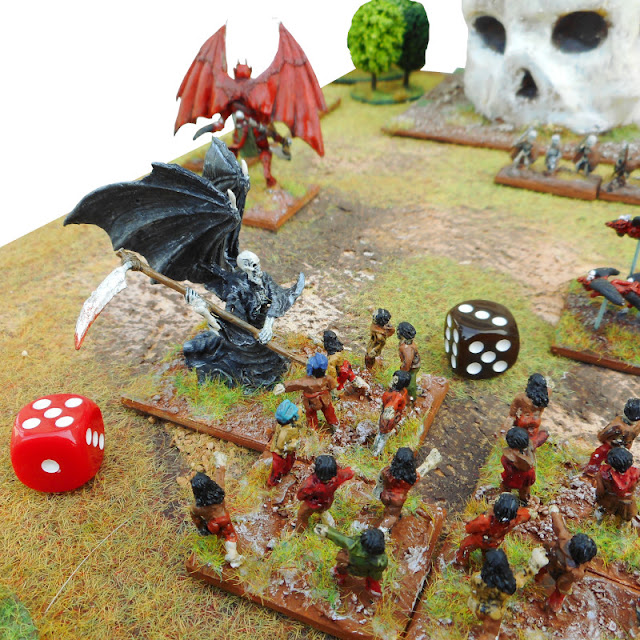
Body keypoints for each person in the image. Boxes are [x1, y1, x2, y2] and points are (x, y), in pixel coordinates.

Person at [469, 548, 548, 635]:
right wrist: (533, 566)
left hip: (475, 606)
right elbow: (520, 579)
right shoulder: (504, 589)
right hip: (493, 613)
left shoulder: (476, 577)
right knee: (492, 633)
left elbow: (473, 590)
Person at [535, 506, 597, 612]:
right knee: (561, 592)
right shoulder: (576, 570)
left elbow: (558, 526)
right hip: (560, 576)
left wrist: (554, 512)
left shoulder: (564, 539)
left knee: (543, 568)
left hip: (551, 562)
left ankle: (538, 578)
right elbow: (573, 578)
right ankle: (552, 606)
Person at [190, 453, 244, 567]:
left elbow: (196, 517)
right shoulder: (220, 491)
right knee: (230, 535)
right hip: (224, 519)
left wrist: (201, 528)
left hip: (212, 525)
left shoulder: (197, 507)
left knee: (216, 534)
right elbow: (221, 475)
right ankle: (233, 555)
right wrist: (220, 463)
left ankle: (216, 540)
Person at [455, 493, 530, 568]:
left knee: (464, 548)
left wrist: (465, 526)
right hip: (494, 543)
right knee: (489, 554)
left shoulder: (484, 521)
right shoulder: (514, 520)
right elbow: (526, 514)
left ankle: (461, 563)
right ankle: (487, 563)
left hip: (478, 540)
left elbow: (469, 528)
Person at [376, 447, 441, 530]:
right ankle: (382, 529)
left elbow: (380, 479)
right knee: (392, 516)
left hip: (385, 496)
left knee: (388, 509)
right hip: (397, 500)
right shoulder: (412, 478)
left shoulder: (387, 472)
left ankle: (385, 515)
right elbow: (420, 472)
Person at [315, 525, 388, 596]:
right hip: (355, 567)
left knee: (342, 569)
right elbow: (341, 539)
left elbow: (341, 539)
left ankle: (340, 579)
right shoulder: (380, 561)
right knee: (342, 568)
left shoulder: (355, 545)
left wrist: (327, 532)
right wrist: (327, 532)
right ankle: (372, 589)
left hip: (356, 567)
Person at [274, 353, 338, 430]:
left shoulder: (314, 380)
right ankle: (316, 428)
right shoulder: (325, 379)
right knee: (318, 413)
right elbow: (295, 383)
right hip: (314, 401)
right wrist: (284, 386)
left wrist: (284, 386)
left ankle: (330, 425)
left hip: (319, 400)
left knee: (325, 412)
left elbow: (296, 383)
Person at [295, 455, 354, 532]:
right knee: (323, 512)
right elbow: (347, 473)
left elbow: (300, 495)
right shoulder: (337, 478)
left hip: (312, 504)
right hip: (326, 503)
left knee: (302, 515)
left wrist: (299, 497)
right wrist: (351, 471)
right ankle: (330, 528)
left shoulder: (311, 484)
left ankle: (299, 532)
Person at [584, 398, 640, 476]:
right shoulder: (638, 425)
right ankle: (609, 471)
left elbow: (603, 435)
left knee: (596, 456)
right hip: (626, 446)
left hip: (610, 445)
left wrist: (601, 437)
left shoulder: (618, 425)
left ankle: (591, 472)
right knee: (615, 460)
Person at [595, 446, 639, 522]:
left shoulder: (603, 472)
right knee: (624, 521)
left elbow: (600, 491)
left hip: (608, 502)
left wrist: (597, 499)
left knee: (602, 518)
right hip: (628, 503)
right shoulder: (636, 472)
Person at [372, 370, 411, 456]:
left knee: (382, 436)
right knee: (383, 434)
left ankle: (376, 452)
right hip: (390, 416)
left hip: (388, 420)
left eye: (395, 379)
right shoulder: (400, 391)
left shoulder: (396, 397)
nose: (392, 380)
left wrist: (386, 415)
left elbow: (390, 410)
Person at [506, 373, 550, 448]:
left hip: (524, 419)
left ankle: (521, 444)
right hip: (536, 420)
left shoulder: (521, 398)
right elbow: (549, 389)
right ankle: (531, 444)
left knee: (520, 434)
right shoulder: (545, 398)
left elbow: (512, 412)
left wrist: (511, 419)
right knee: (533, 434)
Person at [267, 400, 302, 487]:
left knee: (290, 461)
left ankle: (286, 471)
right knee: (277, 469)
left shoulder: (294, 420)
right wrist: (293, 444)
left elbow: (300, 410)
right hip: (279, 452)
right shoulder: (284, 432)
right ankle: (273, 482)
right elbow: (280, 446)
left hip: (289, 449)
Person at [500, 427, 536, 505]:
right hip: (521, 474)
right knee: (523, 489)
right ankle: (523, 500)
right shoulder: (525, 450)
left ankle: (523, 501)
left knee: (519, 489)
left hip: (517, 475)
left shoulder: (512, 455)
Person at [397, 322, 421, 401]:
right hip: (409, 366)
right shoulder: (405, 344)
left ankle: (412, 399)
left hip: (412, 367)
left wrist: (404, 372)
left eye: (399, 331)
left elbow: (408, 361)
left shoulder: (407, 348)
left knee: (410, 385)